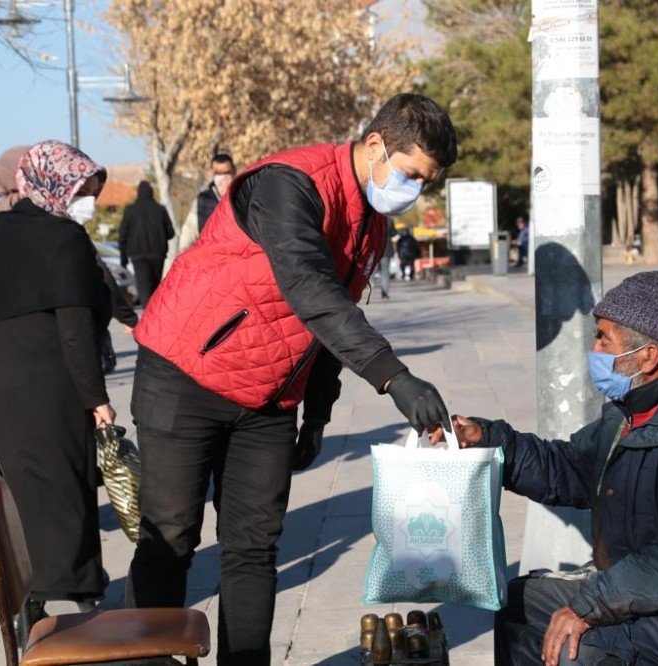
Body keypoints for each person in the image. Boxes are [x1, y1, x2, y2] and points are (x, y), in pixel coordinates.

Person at [126, 93, 457, 663]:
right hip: (186, 374)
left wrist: (318, 414)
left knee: (254, 550)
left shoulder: (369, 224)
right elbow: (311, 291)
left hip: (268, 397)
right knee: (171, 538)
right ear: (375, 145)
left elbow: (335, 320)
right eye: (410, 175)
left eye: (425, 182)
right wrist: (393, 378)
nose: (413, 192)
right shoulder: (287, 183)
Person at [433, 271, 658, 666]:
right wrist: (488, 438)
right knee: (518, 603)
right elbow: (571, 468)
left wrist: (592, 603)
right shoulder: (631, 409)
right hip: (647, 590)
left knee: (575, 647)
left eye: (604, 338)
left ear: (648, 356)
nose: (594, 348)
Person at [0, 140, 114, 623]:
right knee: (67, 482)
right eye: (84, 191)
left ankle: (27, 602)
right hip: (44, 381)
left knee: (13, 491)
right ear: (59, 184)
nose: (88, 201)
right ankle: (82, 594)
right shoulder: (64, 239)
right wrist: (98, 400)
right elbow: (74, 330)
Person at [118, 180, 175, 306]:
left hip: (138, 256)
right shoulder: (160, 210)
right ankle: (153, 315)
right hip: (157, 255)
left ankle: (147, 315)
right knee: (155, 288)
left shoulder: (130, 210)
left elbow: (123, 235)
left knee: (144, 288)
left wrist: (123, 258)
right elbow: (171, 233)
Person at [175, 152, 237, 256]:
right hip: (210, 255)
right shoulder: (203, 199)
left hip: (235, 254)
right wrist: (184, 248)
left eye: (226, 172)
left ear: (234, 171)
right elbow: (191, 227)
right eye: (218, 173)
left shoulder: (242, 196)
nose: (222, 177)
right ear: (212, 174)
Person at [378, 217, 397, 299]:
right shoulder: (389, 220)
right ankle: (385, 290)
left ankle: (376, 284)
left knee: (377, 271)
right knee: (385, 271)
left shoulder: (374, 218)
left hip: (376, 249)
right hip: (387, 249)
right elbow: (393, 233)